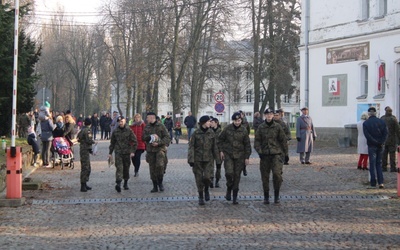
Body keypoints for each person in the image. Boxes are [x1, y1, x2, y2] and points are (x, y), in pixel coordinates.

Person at [218, 112, 251, 204]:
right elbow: (220, 140)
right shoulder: (227, 129)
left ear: (241, 120)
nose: (237, 122)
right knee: (229, 173)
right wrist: (221, 151)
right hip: (228, 155)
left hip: (240, 156)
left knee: (237, 176)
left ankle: (235, 197)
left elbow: (247, 145)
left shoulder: (244, 130)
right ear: (233, 121)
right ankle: (229, 187)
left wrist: (247, 157)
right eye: (235, 121)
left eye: (239, 120)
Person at [255, 108, 287, 204]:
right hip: (264, 156)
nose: (269, 115)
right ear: (265, 115)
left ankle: (276, 195)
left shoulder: (278, 127)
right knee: (265, 177)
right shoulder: (261, 127)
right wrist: (259, 151)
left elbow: (283, 140)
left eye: (270, 114)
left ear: (273, 115)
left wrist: (286, 154)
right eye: (267, 114)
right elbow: (257, 141)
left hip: (276, 155)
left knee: (277, 175)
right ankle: (266, 196)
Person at [188, 115, 221, 205]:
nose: (210, 123)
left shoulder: (211, 133)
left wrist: (218, 160)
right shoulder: (196, 133)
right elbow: (191, 147)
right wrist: (191, 159)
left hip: (209, 159)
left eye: (210, 121)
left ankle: (206, 189)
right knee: (199, 179)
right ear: (203, 123)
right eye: (208, 121)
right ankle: (201, 196)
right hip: (197, 160)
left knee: (207, 177)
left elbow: (215, 147)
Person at [142, 112, 171, 193]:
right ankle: (155, 186)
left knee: (160, 166)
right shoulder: (146, 127)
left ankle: (160, 182)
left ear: (152, 117)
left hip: (160, 150)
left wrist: (159, 142)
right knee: (152, 169)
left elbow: (167, 137)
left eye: (147, 117)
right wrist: (150, 137)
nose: (146, 119)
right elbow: (143, 137)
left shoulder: (161, 126)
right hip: (150, 151)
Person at [108, 116, 137, 192]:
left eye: (122, 121)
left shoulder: (129, 131)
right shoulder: (116, 131)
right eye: (119, 121)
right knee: (119, 168)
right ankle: (118, 183)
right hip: (118, 152)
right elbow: (112, 143)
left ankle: (126, 182)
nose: (120, 123)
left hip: (127, 153)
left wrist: (132, 151)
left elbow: (134, 141)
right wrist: (110, 152)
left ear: (125, 121)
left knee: (126, 168)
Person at [363, 107, 388, 189]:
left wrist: (375, 142)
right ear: (376, 113)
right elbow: (385, 133)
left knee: (372, 164)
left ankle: (373, 182)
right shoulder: (382, 122)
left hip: (372, 145)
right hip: (380, 145)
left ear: (369, 114)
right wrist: (381, 142)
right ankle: (381, 182)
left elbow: (367, 136)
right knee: (379, 164)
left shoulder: (366, 123)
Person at [77, 118, 95, 192]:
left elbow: (78, 138)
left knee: (86, 167)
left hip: (83, 149)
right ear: (90, 124)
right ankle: (83, 185)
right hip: (85, 150)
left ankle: (84, 183)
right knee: (86, 168)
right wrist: (94, 142)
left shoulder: (82, 130)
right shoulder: (87, 130)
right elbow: (88, 140)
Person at [380, 106, 400, 172]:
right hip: (392, 139)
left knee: (384, 154)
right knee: (392, 154)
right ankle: (392, 167)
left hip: (383, 139)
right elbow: (398, 130)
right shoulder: (393, 119)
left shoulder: (382, 118)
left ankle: (383, 167)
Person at [210, 117, 222, 188]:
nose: (211, 123)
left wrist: (222, 151)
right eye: (210, 122)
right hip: (210, 151)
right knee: (210, 167)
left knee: (218, 167)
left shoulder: (220, 131)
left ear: (216, 123)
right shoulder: (209, 131)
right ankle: (211, 180)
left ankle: (217, 180)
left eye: (212, 122)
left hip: (218, 151)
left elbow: (223, 142)